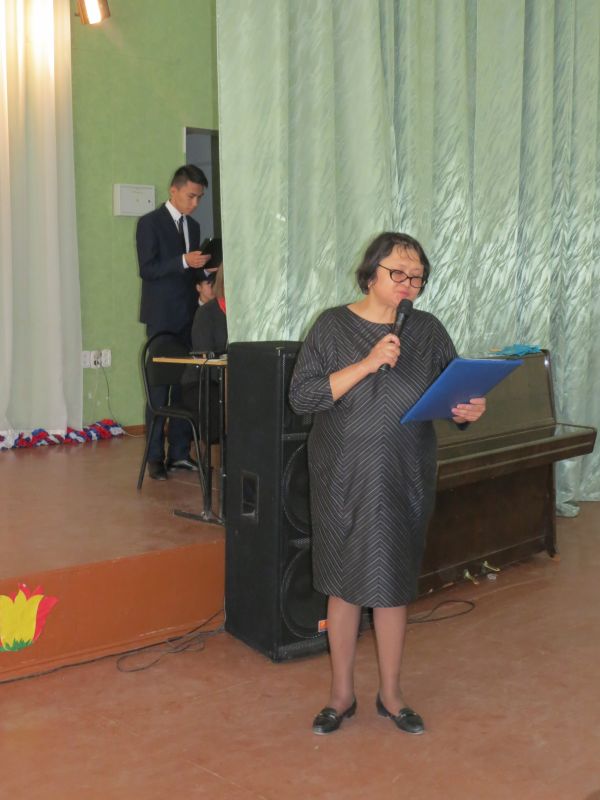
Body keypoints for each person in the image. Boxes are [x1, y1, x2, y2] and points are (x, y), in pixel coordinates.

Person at [288, 232, 486, 736]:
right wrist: (367, 363)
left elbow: (452, 392)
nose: (408, 284)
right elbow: (303, 397)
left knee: (392, 584)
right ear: (370, 272)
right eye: (398, 272)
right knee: (343, 584)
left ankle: (392, 695)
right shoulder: (332, 326)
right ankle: (341, 695)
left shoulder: (429, 330)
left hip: (404, 471)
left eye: (417, 277)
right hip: (342, 473)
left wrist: (467, 410)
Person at [136, 164, 212, 481]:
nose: (195, 203)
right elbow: (148, 269)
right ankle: (155, 457)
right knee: (159, 390)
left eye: (199, 198)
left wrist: (204, 275)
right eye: (191, 196)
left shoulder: (193, 226)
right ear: (174, 190)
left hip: (189, 317)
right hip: (162, 318)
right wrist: (184, 260)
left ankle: (180, 453)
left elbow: (190, 271)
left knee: (185, 388)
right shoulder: (149, 223)